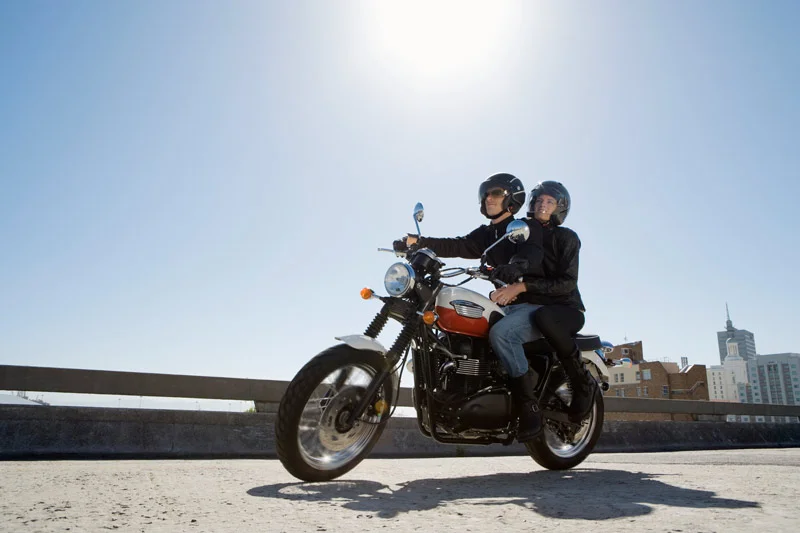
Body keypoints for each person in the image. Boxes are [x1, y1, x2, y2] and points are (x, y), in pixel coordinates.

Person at [394, 172, 548, 442]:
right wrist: (418, 243)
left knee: (501, 335)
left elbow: (532, 254)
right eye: (487, 193)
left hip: (530, 304)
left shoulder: (523, 228)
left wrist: (516, 268)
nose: (489, 198)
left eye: (496, 193)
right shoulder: (488, 233)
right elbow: (459, 244)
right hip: (503, 304)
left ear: (512, 199)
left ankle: (530, 407)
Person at [520, 181, 596, 422]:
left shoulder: (567, 237)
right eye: (539, 200)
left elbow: (567, 283)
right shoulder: (522, 235)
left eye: (550, 201)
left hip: (565, 309)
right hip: (530, 307)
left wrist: (525, 286)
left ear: (559, 207)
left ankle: (581, 382)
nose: (543, 205)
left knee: (545, 317)